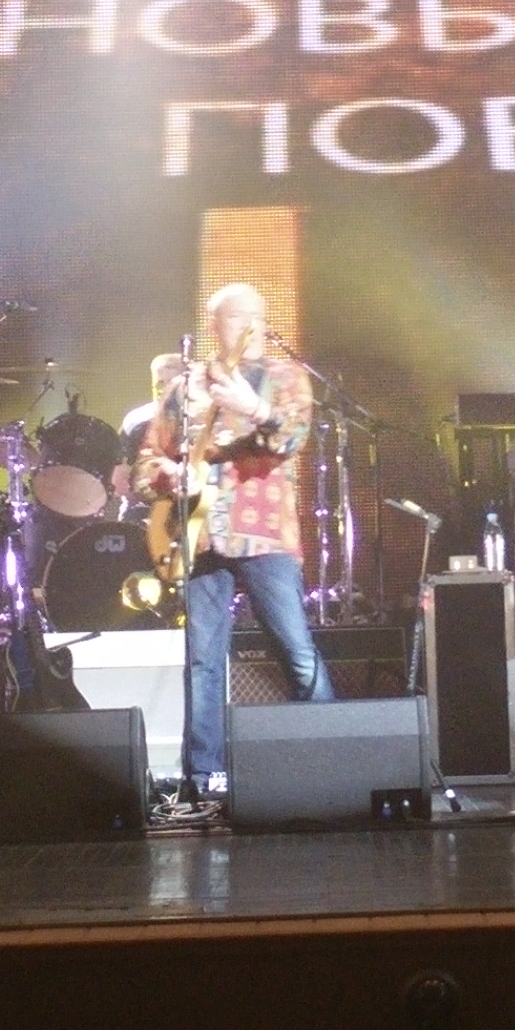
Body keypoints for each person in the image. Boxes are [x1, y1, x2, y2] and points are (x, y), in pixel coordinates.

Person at [144, 281, 330, 814]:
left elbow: (292, 438)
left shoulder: (286, 377)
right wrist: (168, 474)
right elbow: (147, 458)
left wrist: (256, 409)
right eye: (237, 316)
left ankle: (329, 754)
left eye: (257, 315)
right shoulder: (186, 386)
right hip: (201, 539)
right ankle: (203, 779)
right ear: (214, 325)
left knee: (295, 651)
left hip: (265, 534)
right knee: (202, 662)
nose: (251, 325)